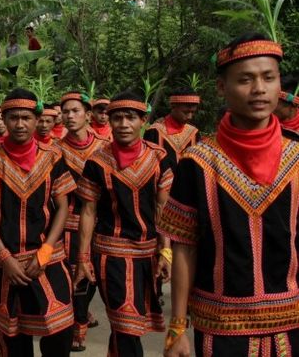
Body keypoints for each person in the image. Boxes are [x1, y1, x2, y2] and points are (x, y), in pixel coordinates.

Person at [159, 34, 299, 357]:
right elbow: (185, 249)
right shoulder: (197, 163)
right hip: (221, 330)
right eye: (245, 80)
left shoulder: (295, 156)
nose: (259, 89)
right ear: (222, 87)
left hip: (290, 325)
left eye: (269, 77)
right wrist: (177, 327)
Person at [0, 89, 75, 357]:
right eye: (13, 117)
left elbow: (63, 206)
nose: (19, 124)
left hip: (46, 260)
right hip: (5, 262)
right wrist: (5, 258)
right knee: (12, 339)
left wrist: (46, 251)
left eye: (26, 117)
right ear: (3, 119)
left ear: (36, 119)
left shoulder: (53, 156)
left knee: (59, 334)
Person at [74, 92, 173, 357]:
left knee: (130, 327)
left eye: (131, 117)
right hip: (111, 253)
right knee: (125, 323)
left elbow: (164, 208)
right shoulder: (96, 161)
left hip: (148, 254)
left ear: (143, 120)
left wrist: (166, 251)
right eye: (117, 118)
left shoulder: (159, 158)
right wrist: (83, 257)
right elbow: (88, 210)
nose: (124, 124)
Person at [56, 91, 108, 352]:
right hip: (69, 223)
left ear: (88, 115)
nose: (70, 116)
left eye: (75, 111)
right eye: (65, 112)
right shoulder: (56, 150)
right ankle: (76, 327)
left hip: (103, 224)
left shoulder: (105, 145)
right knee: (73, 276)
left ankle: (81, 316)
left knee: (95, 276)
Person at [143, 88, 201, 163]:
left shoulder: (194, 133)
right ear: (173, 106)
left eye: (192, 112)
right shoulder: (154, 131)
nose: (190, 116)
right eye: (185, 112)